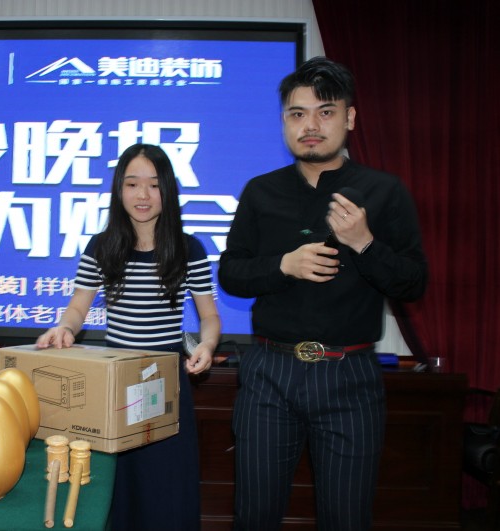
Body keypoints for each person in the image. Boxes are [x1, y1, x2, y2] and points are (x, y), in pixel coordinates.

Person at [217, 56, 428, 530]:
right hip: (270, 373)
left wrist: (364, 243)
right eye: (298, 114)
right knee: (254, 515)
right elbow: (231, 274)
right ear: (284, 122)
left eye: (325, 112)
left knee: (347, 517)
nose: (310, 126)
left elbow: (413, 283)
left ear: (349, 118)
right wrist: (283, 266)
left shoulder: (384, 191)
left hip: (350, 374)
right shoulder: (260, 192)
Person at [36, 143, 221, 530]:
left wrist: (207, 344)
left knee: (165, 485)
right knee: (119, 486)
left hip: (164, 381)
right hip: (115, 381)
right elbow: (78, 308)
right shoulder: (102, 246)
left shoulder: (189, 248)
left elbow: (209, 317)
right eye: (133, 184)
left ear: (167, 190)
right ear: (119, 189)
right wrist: (64, 328)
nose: (143, 195)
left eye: (153, 185)